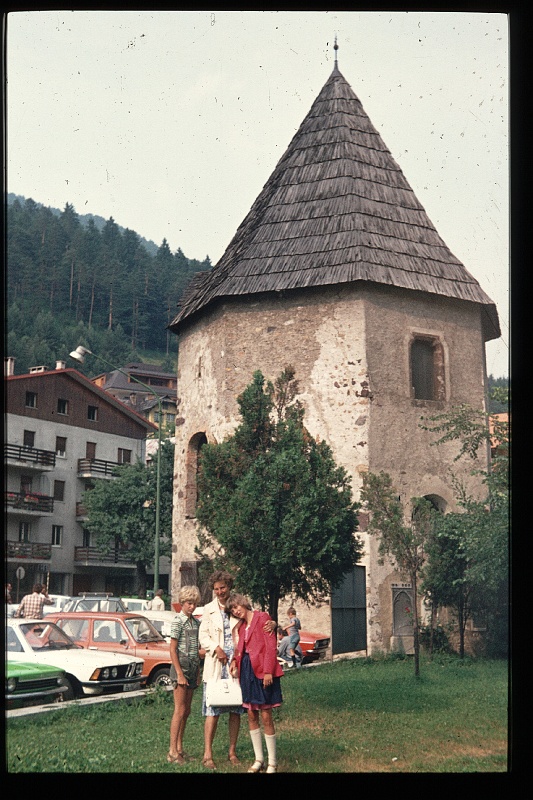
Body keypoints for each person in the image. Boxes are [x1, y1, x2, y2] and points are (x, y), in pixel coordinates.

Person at [228, 593, 284, 774]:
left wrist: (268, 671)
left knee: (266, 715)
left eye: (237, 607)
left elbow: (270, 645)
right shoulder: (241, 627)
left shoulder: (263, 618)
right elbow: (240, 650)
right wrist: (235, 661)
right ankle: (259, 759)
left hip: (262, 671)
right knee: (251, 714)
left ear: (244, 603)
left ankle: (272, 762)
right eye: (233, 610)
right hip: (247, 672)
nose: (236, 611)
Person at [198, 570, 245, 769]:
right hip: (216, 664)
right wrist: (216, 648)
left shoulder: (238, 605)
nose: (220, 592)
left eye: (223, 588)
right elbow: (203, 636)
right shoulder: (208, 609)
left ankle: (232, 752)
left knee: (236, 709)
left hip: (235, 665)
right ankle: (207, 754)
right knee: (213, 710)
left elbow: (249, 626)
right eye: (216, 589)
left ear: (229, 587)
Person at [168, 585, 205, 765]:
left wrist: (197, 670)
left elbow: (196, 650)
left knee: (187, 710)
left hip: (192, 667)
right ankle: (172, 750)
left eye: (194, 604)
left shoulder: (196, 623)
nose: (192, 607)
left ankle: (180, 748)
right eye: (189, 603)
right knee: (179, 709)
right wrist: (180, 674)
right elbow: (173, 649)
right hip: (180, 666)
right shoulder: (178, 621)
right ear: (182, 602)